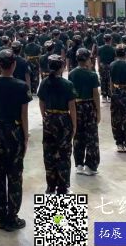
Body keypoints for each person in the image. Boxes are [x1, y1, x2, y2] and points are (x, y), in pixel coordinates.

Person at [0, 48, 31, 232]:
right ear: (14, 65)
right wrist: (25, 137)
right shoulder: (21, 86)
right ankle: (12, 216)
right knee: (14, 174)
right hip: (14, 131)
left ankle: (1, 216)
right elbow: (24, 115)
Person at [38, 54, 77, 194]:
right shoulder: (67, 84)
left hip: (49, 118)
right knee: (64, 153)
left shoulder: (44, 82)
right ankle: (62, 186)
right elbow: (72, 107)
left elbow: (41, 102)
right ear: (61, 67)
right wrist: (74, 125)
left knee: (49, 152)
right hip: (63, 119)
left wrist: (45, 116)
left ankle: (50, 185)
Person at [69, 48, 101, 176]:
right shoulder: (92, 75)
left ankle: (79, 164)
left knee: (78, 135)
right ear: (88, 59)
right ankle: (90, 166)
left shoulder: (71, 74)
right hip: (89, 107)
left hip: (76, 106)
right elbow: (96, 95)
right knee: (91, 136)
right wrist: (98, 111)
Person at [109, 44, 126, 153]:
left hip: (115, 92)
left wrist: (112, 92)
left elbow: (111, 81)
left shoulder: (112, 64)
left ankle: (119, 143)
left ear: (116, 53)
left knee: (116, 118)